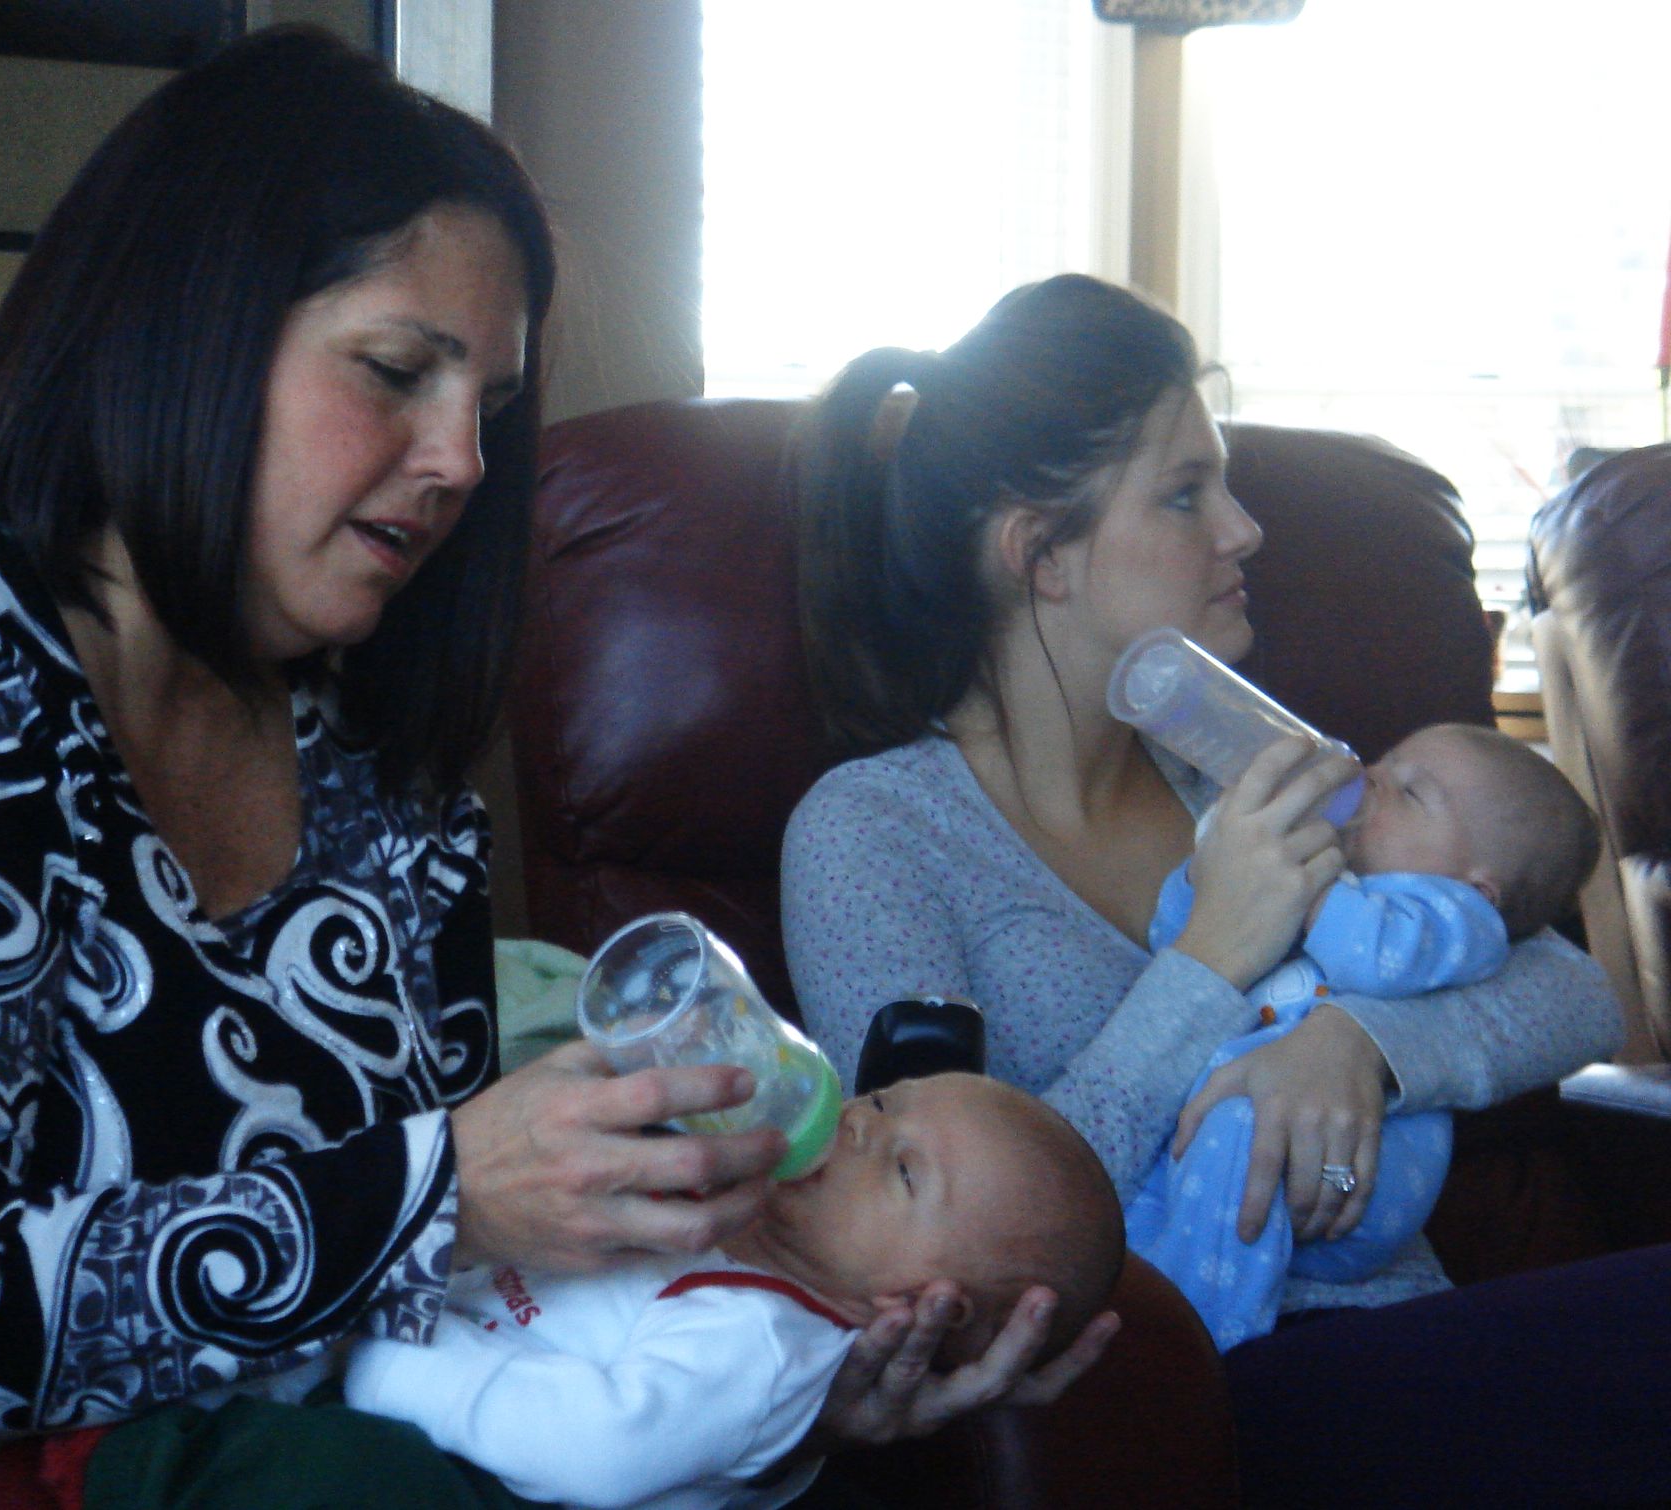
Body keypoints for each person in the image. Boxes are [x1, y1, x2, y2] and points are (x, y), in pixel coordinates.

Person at [0, 32, 1108, 1509]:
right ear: (187, 323)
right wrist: (434, 1197)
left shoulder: (384, 785)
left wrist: (765, 1374)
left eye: (484, 409)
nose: (461, 462)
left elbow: (483, 1316)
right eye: (396, 370)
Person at [781, 273, 1667, 1506]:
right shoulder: (872, 836)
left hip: (1400, 1333)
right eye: (1188, 494)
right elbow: (930, 1239)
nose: (1245, 531)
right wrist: (1208, 962)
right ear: (1042, 554)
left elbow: (1566, 992)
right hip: (1184, 1387)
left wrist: (1360, 1042)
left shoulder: (1232, 769)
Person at [335, 1073, 1121, 1510]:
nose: (856, 1127)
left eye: (904, 1170)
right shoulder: (732, 1215)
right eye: (883, 1101)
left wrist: (381, 1362)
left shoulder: (764, 1348)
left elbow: (598, 1454)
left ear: (922, 1305)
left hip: (442, 1435)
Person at [1128, 721, 1601, 1348]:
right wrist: (1210, 875)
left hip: (1357, 1178)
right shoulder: (1338, 881)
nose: (1369, 778)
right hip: (1230, 1144)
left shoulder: (1452, 918)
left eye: (1410, 794)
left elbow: (1378, 958)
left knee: (1241, 1128)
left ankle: (1213, 1342)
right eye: (1382, 762)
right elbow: (1176, 944)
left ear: (1477, 884)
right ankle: (1145, 1313)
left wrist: (1303, 880)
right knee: (1143, 1203)